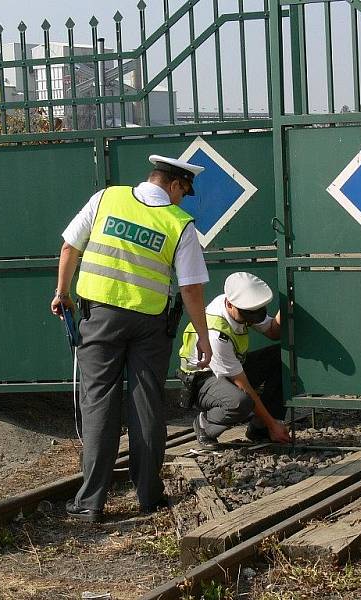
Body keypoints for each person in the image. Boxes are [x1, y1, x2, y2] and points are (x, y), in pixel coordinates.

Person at [50, 154, 213, 522]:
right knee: (147, 406)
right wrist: (202, 337)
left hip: (99, 319)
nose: (182, 200)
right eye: (183, 193)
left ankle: (90, 501)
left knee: (99, 404)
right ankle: (149, 496)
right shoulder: (180, 224)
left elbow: (69, 247)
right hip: (150, 325)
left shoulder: (106, 199)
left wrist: (62, 292)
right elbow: (190, 289)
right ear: (174, 185)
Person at [178, 272, 291, 449]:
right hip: (202, 380)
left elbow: (273, 332)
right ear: (230, 305)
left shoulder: (242, 305)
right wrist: (273, 425)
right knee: (240, 402)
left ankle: (259, 428)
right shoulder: (217, 335)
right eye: (248, 315)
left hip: (230, 369)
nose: (251, 319)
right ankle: (204, 425)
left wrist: (288, 304)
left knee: (281, 358)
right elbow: (243, 385)